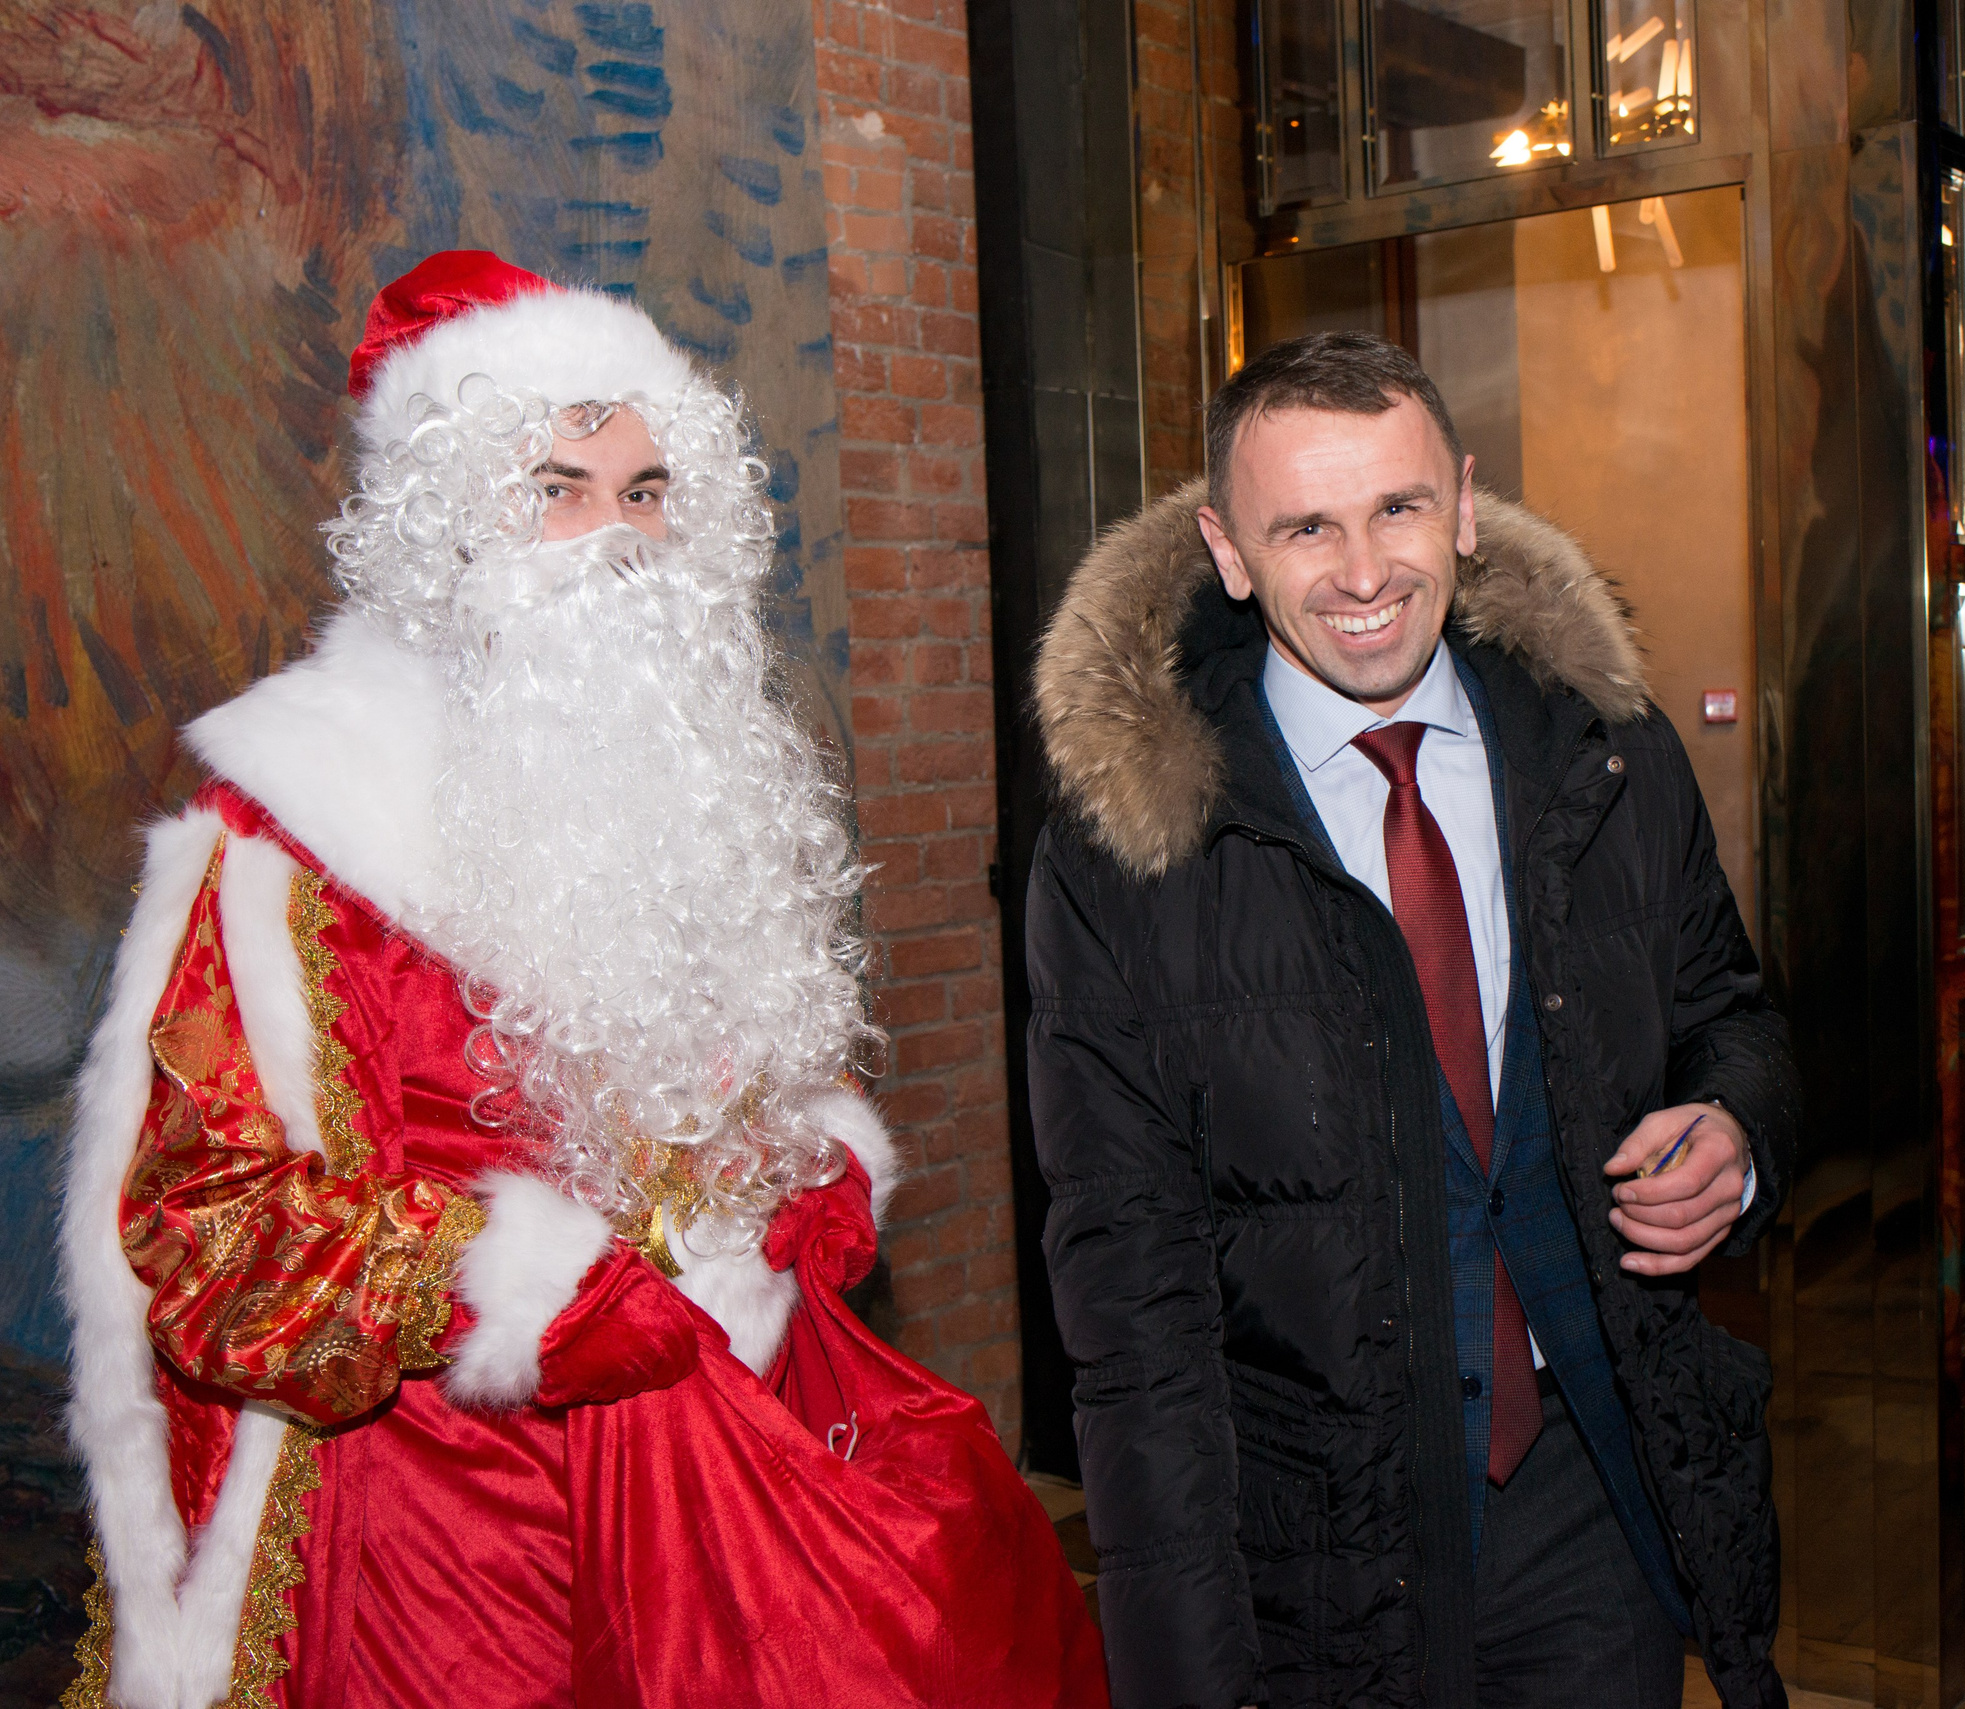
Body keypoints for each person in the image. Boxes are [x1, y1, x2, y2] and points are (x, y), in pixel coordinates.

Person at [57, 251, 1107, 1709]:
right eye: (559, 488)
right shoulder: (297, 827)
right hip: (443, 1559)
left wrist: (803, 1157)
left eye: (650, 492)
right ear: (448, 531)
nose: (619, 538)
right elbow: (202, 1229)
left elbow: (726, 1091)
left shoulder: (702, 764)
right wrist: (509, 1287)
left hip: (726, 1482)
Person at [1023, 331, 1800, 1709]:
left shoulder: (1607, 754)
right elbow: (1132, 1321)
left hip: (1590, 1507)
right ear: (1228, 550)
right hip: (1316, 1556)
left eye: (1397, 507)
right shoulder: (1128, 853)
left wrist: (1737, 1135)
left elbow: (1735, 1014)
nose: (1367, 570)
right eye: (1305, 526)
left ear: (1464, 504)